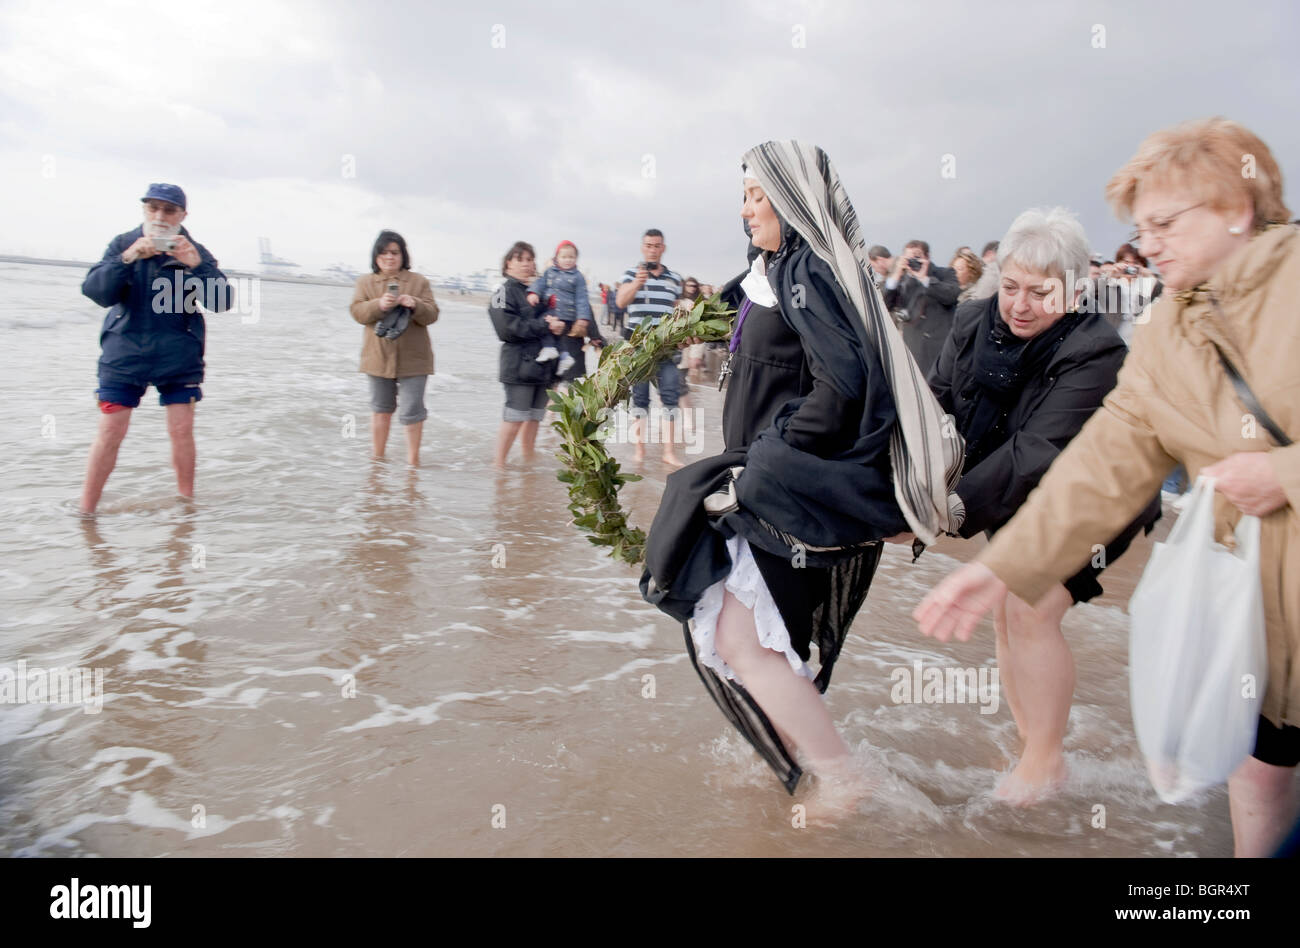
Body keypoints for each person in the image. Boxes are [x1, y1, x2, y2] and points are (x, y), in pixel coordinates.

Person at [914, 117, 1299, 857]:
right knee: (1258, 767)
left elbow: (1042, 449)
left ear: (1236, 210)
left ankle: (1044, 756)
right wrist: (996, 566)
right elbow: (1099, 468)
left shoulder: (1107, 342)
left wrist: (1283, 472)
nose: (1147, 242)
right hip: (1260, 608)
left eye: (1164, 222)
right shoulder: (1163, 335)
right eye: (1140, 226)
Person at [641, 141, 962, 807]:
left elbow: (842, 383)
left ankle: (844, 781)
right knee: (765, 638)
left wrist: (771, 454)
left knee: (740, 635)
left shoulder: (804, 273)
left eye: (759, 195)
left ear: (794, 200)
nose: (747, 208)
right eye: (745, 196)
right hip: (769, 486)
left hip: (780, 492)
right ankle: (800, 772)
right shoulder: (776, 269)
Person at [928, 207, 1161, 802]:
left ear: (1076, 290)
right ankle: (1029, 741)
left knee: (1031, 609)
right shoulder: (973, 319)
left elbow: (1036, 449)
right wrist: (911, 487)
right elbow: (941, 403)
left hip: (1094, 500)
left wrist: (951, 511)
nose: (1020, 304)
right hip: (1003, 497)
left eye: (1040, 292)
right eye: (1010, 286)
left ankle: (1046, 760)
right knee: (1005, 612)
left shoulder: (1095, 349)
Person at [79, 183, 233, 515]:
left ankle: (186, 506)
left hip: (178, 356)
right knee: (109, 432)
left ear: (183, 215)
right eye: (153, 208)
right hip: (124, 355)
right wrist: (128, 258)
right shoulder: (123, 243)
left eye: (169, 210)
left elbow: (222, 302)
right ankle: (85, 512)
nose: (160, 216)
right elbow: (96, 292)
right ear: (144, 210)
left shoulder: (196, 250)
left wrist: (198, 267)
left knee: (181, 431)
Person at [349, 231, 439, 465]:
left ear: (403, 255)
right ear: (376, 256)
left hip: (414, 360)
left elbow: (432, 315)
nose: (389, 257)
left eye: (395, 252)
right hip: (377, 358)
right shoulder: (365, 282)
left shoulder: (419, 282)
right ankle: (377, 461)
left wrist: (415, 303)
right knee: (381, 410)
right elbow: (357, 312)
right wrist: (378, 304)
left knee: (412, 413)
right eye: (384, 252)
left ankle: (413, 463)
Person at [615, 229, 686, 466]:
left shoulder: (674, 278)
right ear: (642, 247)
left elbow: (678, 310)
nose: (652, 250)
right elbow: (620, 302)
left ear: (663, 248)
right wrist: (637, 282)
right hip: (638, 348)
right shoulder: (630, 274)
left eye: (656, 246)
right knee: (640, 398)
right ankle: (639, 451)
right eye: (648, 245)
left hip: (665, 348)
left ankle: (669, 452)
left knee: (670, 397)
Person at [489, 241, 563, 466]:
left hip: (543, 367)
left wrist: (559, 327)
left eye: (530, 259)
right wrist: (545, 326)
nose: (526, 264)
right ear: (508, 263)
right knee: (514, 418)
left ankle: (527, 461)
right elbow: (506, 329)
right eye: (520, 259)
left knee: (534, 417)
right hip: (518, 365)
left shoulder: (540, 292)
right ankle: (498, 464)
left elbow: (553, 320)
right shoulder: (502, 291)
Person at [881, 239, 961, 374]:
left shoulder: (945, 273)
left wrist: (925, 279)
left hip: (942, 349)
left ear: (927, 257)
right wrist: (896, 274)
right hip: (915, 349)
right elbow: (885, 305)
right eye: (909, 258)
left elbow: (951, 295)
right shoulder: (902, 281)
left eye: (917, 257)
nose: (913, 262)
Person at [527, 239, 593, 376]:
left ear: (576, 259)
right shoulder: (550, 271)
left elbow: (582, 298)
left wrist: (583, 318)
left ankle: (549, 348)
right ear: (556, 258)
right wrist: (533, 293)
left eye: (571, 257)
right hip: (553, 308)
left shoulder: (578, 276)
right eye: (564, 257)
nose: (568, 260)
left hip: (566, 311)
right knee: (558, 334)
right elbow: (540, 283)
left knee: (544, 323)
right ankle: (564, 356)